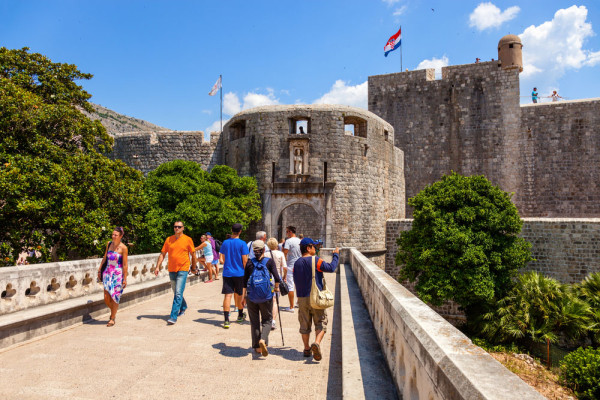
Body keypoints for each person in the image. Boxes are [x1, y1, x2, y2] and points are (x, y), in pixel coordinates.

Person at [293, 238, 339, 361]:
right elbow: (331, 268)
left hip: (302, 298)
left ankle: (307, 349)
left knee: (304, 324)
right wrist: (336, 255)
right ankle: (317, 343)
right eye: (313, 246)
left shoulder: (296, 263)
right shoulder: (315, 260)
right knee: (321, 322)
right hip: (315, 297)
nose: (315, 248)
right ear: (308, 248)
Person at [153, 221, 197, 325]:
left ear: (183, 228)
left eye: (179, 227)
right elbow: (163, 253)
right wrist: (157, 266)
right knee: (176, 291)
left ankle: (173, 316)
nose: (177, 228)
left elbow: (193, 254)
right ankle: (184, 306)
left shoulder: (188, 239)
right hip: (172, 269)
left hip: (183, 268)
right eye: (175, 227)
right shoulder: (169, 239)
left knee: (178, 292)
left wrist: (193, 267)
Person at [243, 240, 281, 356]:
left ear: (254, 251)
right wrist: (276, 288)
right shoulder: (269, 262)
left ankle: (257, 348)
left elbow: (244, 282)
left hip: (251, 297)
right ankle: (263, 340)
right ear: (264, 250)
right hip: (266, 296)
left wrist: (243, 297)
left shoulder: (249, 263)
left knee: (254, 322)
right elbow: (277, 278)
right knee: (267, 319)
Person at [219, 223, 249, 329]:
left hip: (227, 272)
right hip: (239, 273)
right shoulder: (242, 243)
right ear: (240, 231)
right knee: (239, 294)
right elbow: (245, 260)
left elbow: (221, 258)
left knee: (228, 295)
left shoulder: (225, 243)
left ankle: (226, 320)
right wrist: (247, 273)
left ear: (231, 230)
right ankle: (240, 315)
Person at [97, 227, 128, 327]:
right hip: (107, 273)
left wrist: (125, 278)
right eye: (113, 234)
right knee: (106, 297)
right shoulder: (109, 244)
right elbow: (105, 257)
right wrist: (100, 269)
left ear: (121, 236)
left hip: (117, 275)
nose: (113, 236)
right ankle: (114, 311)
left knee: (115, 297)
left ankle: (112, 318)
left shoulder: (123, 248)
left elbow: (125, 264)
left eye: (116, 235)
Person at [265, 237, 286, 330]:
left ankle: (267, 319)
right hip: (277, 277)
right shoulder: (280, 254)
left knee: (267, 299)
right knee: (275, 300)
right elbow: (285, 267)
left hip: (267, 277)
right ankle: (273, 320)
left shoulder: (265, 254)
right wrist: (284, 277)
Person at [283, 226, 301, 312]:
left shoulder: (288, 241)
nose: (286, 234)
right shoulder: (300, 241)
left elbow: (285, 253)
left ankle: (291, 307)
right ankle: (299, 303)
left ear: (290, 232)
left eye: (287, 232)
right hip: (300, 265)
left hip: (291, 265)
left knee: (290, 286)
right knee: (299, 285)